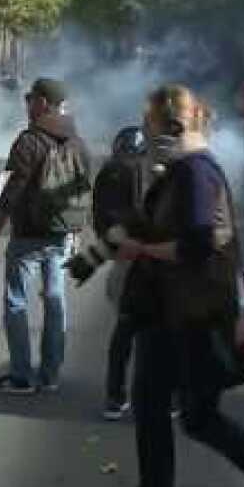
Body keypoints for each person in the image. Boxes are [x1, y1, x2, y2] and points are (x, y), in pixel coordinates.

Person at [115, 84, 244, 487]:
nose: (145, 133)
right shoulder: (182, 170)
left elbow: (198, 243)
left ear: (170, 125)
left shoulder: (195, 172)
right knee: (179, 413)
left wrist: (142, 249)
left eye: (149, 124)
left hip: (190, 313)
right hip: (176, 310)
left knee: (171, 411)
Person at [0, 78, 91, 395]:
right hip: (60, 236)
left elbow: (9, 194)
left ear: (43, 103)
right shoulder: (78, 142)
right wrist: (77, 232)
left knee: (17, 302)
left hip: (27, 237)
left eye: (30, 98)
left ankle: (20, 375)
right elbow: (83, 191)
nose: (27, 104)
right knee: (55, 302)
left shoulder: (28, 142)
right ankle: (50, 374)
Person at [94, 125, 149, 420]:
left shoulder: (109, 173)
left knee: (125, 332)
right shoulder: (142, 174)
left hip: (126, 261)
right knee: (153, 333)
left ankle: (115, 396)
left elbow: (102, 222)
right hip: (145, 261)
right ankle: (163, 396)